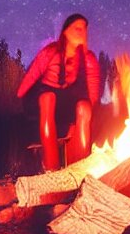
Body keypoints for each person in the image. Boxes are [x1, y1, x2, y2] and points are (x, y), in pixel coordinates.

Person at [17, 14, 100, 170]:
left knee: (84, 106)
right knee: (48, 98)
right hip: (43, 99)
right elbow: (33, 73)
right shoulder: (51, 51)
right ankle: (52, 168)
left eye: (84, 29)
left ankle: (79, 171)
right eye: (77, 28)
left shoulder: (88, 58)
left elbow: (93, 90)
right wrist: (19, 96)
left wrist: (88, 113)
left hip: (66, 101)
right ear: (65, 32)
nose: (82, 32)